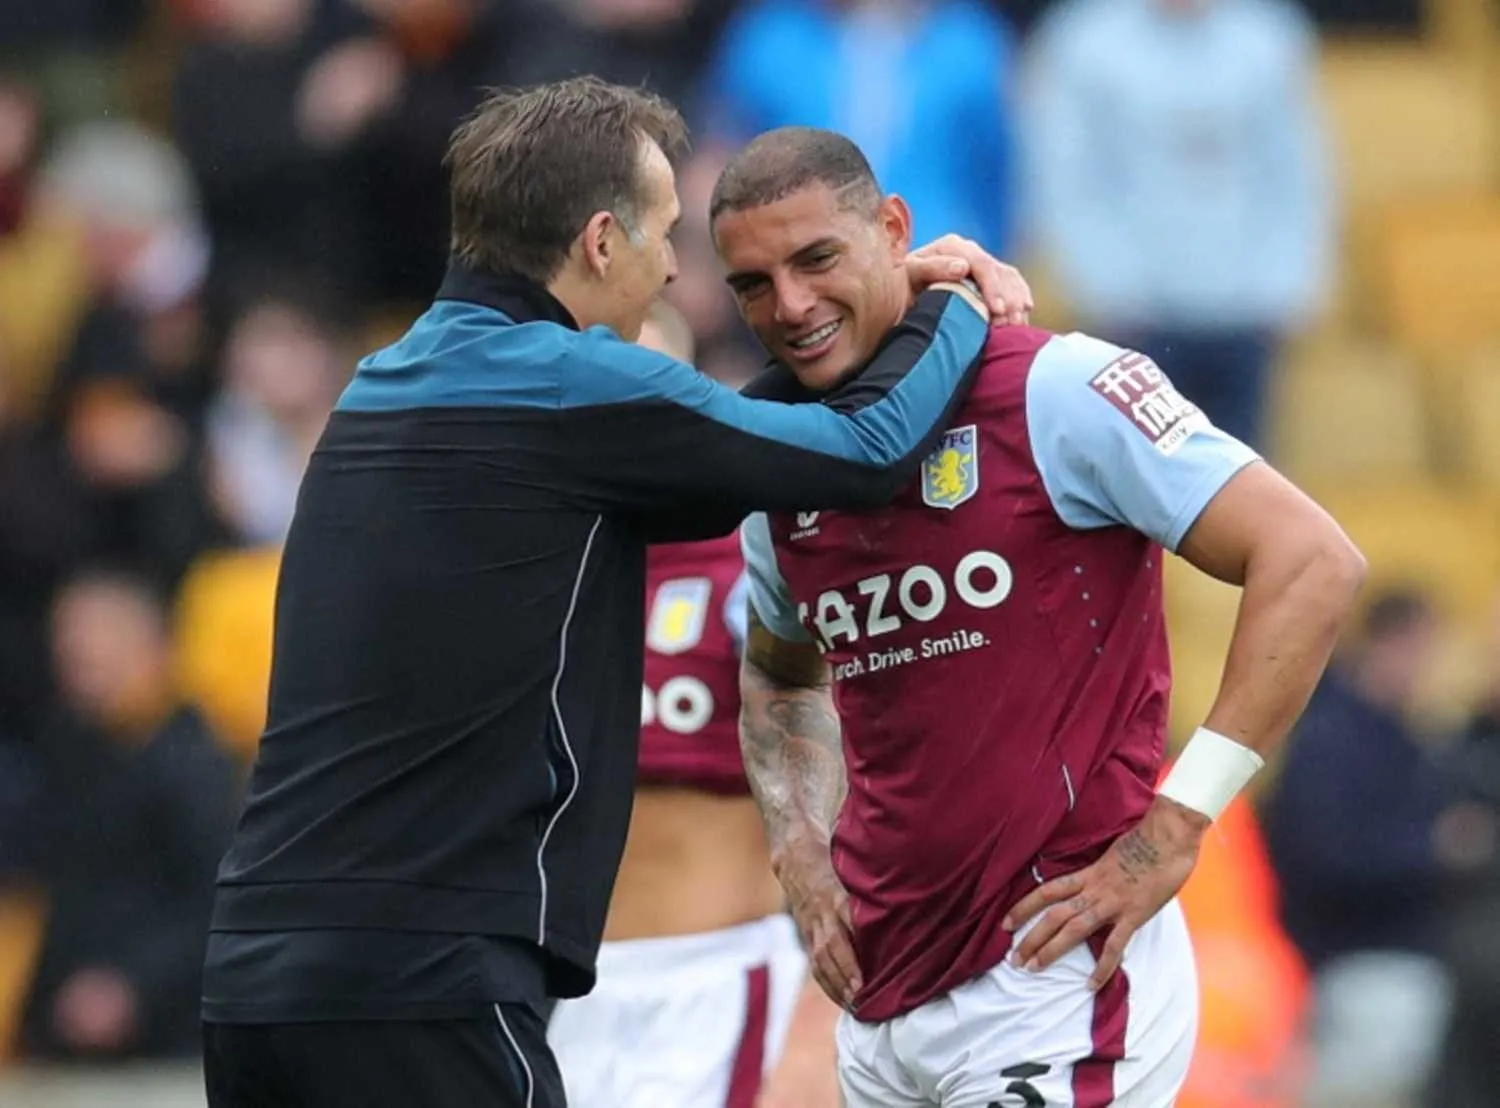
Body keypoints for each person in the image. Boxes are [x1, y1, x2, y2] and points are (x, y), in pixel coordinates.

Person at [198, 78, 1032, 1108]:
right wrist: (949, 305)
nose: (675, 268)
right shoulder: (566, 383)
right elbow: (863, 452)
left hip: (255, 975)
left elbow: (708, 443)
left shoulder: (384, 382)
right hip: (425, 975)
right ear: (600, 241)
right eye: (664, 232)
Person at [716, 127, 1365, 1105]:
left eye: (816, 259)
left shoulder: (1056, 389)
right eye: (754, 285)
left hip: (1055, 971)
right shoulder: (783, 471)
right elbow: (778, 670)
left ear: (893, 230)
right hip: (883, 993)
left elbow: (1312, 560)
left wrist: (1175, 827)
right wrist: (800, 849)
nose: (791, 304)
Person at [547, 301, 841, 1106]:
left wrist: (818, 1028)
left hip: (716, 989)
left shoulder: (756, 562)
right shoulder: (526, 577)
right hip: (561, 995)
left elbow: (859, 802)